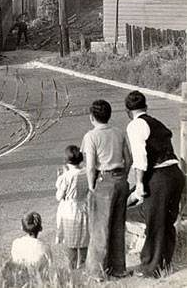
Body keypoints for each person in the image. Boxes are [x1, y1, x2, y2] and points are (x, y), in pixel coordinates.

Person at [125, 91, 185, 278]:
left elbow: (140, 158)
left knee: (155, 222)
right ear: (146, 107)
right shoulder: (156, 123)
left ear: (128, 111)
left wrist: (140, 184)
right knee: (167, 222)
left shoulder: (135, 125)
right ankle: (164, 264)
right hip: (176, 174)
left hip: (159, 176)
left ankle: (150, 268)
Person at [81, 100, 131, 281]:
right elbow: (129, 158)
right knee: (118, 225)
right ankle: (118, 268)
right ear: (109, 115)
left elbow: (90, 166)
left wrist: (91, 185)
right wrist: (123, 176)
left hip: (103, 180)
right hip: (120, 180)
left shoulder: (91, 136)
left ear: (91, 117)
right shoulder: (119, 132)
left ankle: (97, 272)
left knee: (99, 227)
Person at [55, 145, 89, 269]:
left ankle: (72, 268)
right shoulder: (86, 172)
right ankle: (84, 264)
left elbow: (59, 196)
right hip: (84, 207)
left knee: (71, 243)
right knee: (84, 239)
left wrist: (60, 177)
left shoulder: (65, 177)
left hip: (70, 209)